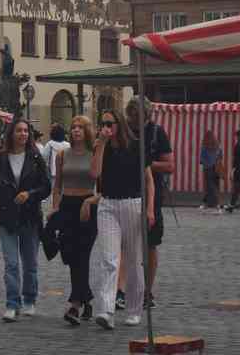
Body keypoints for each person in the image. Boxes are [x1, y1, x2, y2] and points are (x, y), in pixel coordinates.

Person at [89, 109, 155, 331]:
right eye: (103, 123)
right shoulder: (102, 146)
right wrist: (101, 144)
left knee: (134, 260)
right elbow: (94, 174)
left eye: (110, 123)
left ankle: (134, 309)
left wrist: (150, 209)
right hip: (108, 204)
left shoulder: (136, 146)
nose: (106, 127)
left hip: (132, 203)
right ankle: (106, 310)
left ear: (120, 124)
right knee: (109, 259)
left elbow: (149, 180)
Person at [0, 118, 51, 322]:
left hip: (30, 216)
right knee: (11, 263)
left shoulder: (35, 157)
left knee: (30, 264)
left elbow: (46, 186)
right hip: (7, 216)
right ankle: (12, 303)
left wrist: (30, 194)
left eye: (26, 131)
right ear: (11, 133)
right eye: (19, 130)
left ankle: (29, 298)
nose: (23, 134)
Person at [119, 95, 174, 310]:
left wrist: (146, 164)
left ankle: (147, 292)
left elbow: (169, 166)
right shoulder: (123, 130)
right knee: (124, 243)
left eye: (139, 117)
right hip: (124, 192)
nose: (134, 121)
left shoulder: (156, 133)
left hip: (152, 195)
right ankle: (121, 291)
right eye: (132, 116)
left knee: (150, 244)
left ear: (147, 115)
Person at [50, 116, 98, 326]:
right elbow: (57, 185)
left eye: (80, 127)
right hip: (67, 206)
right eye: (73, 127)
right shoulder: (62, 154)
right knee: (70, 255)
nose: (76, 130)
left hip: (87, 206)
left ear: (87, 131)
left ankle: (75, 305)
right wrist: (55, 208)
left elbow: (103, 187)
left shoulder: (95, 153)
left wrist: (91, 201)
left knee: (82, 255)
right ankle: (86, 298)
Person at [225, 129, 240, 211]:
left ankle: (231, 206)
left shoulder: (237, 146)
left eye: (237, 136)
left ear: (239, 137)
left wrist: (232, 170)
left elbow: (235, 160)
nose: (236, 138)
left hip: (239, 170)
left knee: (236, 190)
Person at [199, 130, 223, 212]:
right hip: (217, 168)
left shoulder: (204, 147)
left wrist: (206, 163)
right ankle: (208, 204)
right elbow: (220, 157)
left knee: (209, 187)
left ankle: (214, 205)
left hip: (208, 169)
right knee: (215, 186)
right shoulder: (218, 147)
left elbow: (202, 159)